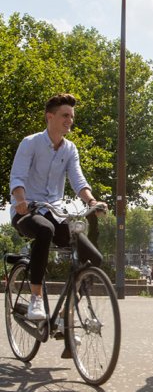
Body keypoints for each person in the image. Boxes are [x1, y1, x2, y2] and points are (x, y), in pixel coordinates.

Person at [10, 93, 107, 325]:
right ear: (50, 117)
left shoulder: (70, 149)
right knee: (45, 231)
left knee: (93, 257)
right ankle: (35, 298)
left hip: (55, 211)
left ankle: (67, 313)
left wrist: (92, 202)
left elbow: (78, 180)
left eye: (72, 117)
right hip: (27, 212)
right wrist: (21, 200)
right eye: (65, 115)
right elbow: (18, 177)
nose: (70, 120)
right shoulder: (30, 143)